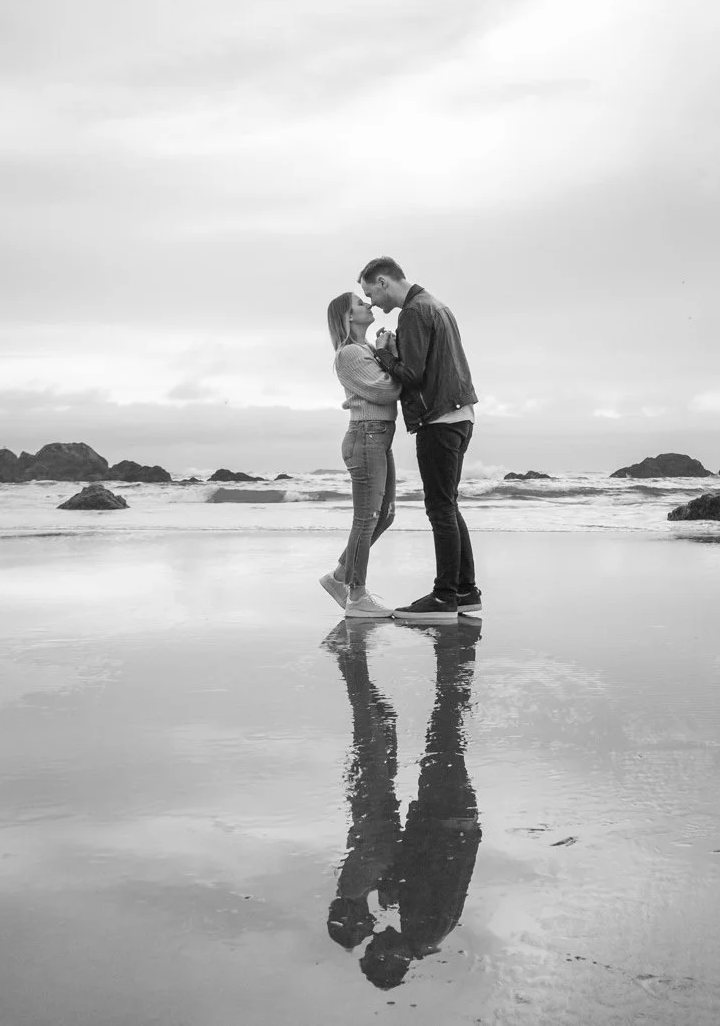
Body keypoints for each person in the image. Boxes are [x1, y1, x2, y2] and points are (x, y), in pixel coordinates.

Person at [323, 619, 482, 989]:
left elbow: (423, 866)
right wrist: (396, 880)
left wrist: (394, 881)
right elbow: (434, 866)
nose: (375, 935)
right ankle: (454, 655)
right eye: (374, 945)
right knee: (443, 731)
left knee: (440, 731)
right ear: (387, 957)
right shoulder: (424, 929)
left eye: (367, 938)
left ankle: (452, 656)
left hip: (449, 818)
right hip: (446, 818)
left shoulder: (424, 933)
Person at [356, 257, 480, 623]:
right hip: (460, 415)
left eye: (370, 294)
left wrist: (383, 355)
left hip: (438, 419)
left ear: (382, 281)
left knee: (440, 508)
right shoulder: (436, 305)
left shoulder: (412, 312)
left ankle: (444, 597)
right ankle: (465, 592)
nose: (374, 303)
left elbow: (411, 374)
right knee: (449, 505)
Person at [321, 290, 398, 619]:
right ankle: (357, 594)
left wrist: (386, 354)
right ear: (348, 317)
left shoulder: (365, 349)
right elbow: (386, 390)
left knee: (384, 516)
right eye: (361, 303)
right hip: (366, 435)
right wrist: (392, 361)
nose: (369, 305)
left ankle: (340, 577)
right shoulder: (349, 354)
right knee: (366, 519)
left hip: (377, 437)